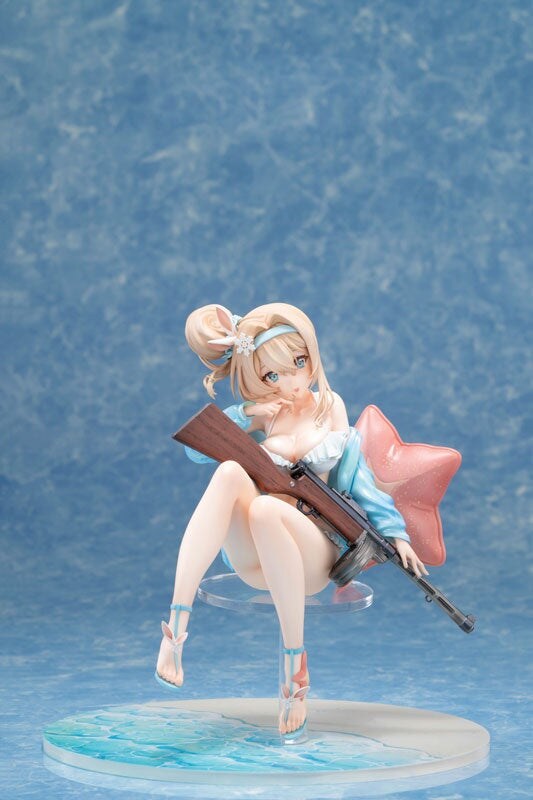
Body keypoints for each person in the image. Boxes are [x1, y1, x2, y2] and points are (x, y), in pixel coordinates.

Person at [155, 302, 427, 740]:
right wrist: (249, 416)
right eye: (272, 375)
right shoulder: (264, 411)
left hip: (310, 554)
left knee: (267, 509)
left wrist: (396, 533)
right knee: (229, 471)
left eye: (299, 362)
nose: (291, 381)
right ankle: (175, 631)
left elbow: (359, 479)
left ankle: (295, 671)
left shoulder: (329, 406)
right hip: (256, 558)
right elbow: (195, 450)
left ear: (311, 356)